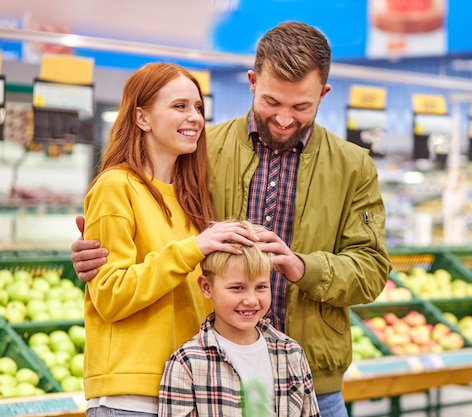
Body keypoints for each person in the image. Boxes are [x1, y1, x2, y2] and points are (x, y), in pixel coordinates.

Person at [71, 21, 392, 417]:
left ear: (324, 94)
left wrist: (301, 266)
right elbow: (150, 237)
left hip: (307, 376)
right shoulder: (201, 151)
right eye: (273, 102)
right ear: (253, 81)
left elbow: (373, 269)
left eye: (301, 107)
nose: (285, 119)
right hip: (210, 377)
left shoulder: (353, 166)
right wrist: (95, 254)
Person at [81, 62, 256, 417]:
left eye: (198, 108)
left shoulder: (191, 199)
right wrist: (196, 248)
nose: (194, 117)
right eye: (179, 106)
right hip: (131, 398)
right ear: (142, 117)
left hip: (188, 391)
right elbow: (111, 295)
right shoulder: (116, 187)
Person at [159, 220, 320, 417]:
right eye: (237, 288)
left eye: (261, 287)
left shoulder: (291, 353)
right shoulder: (186, 362)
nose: (251, 300)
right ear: (206, 287)